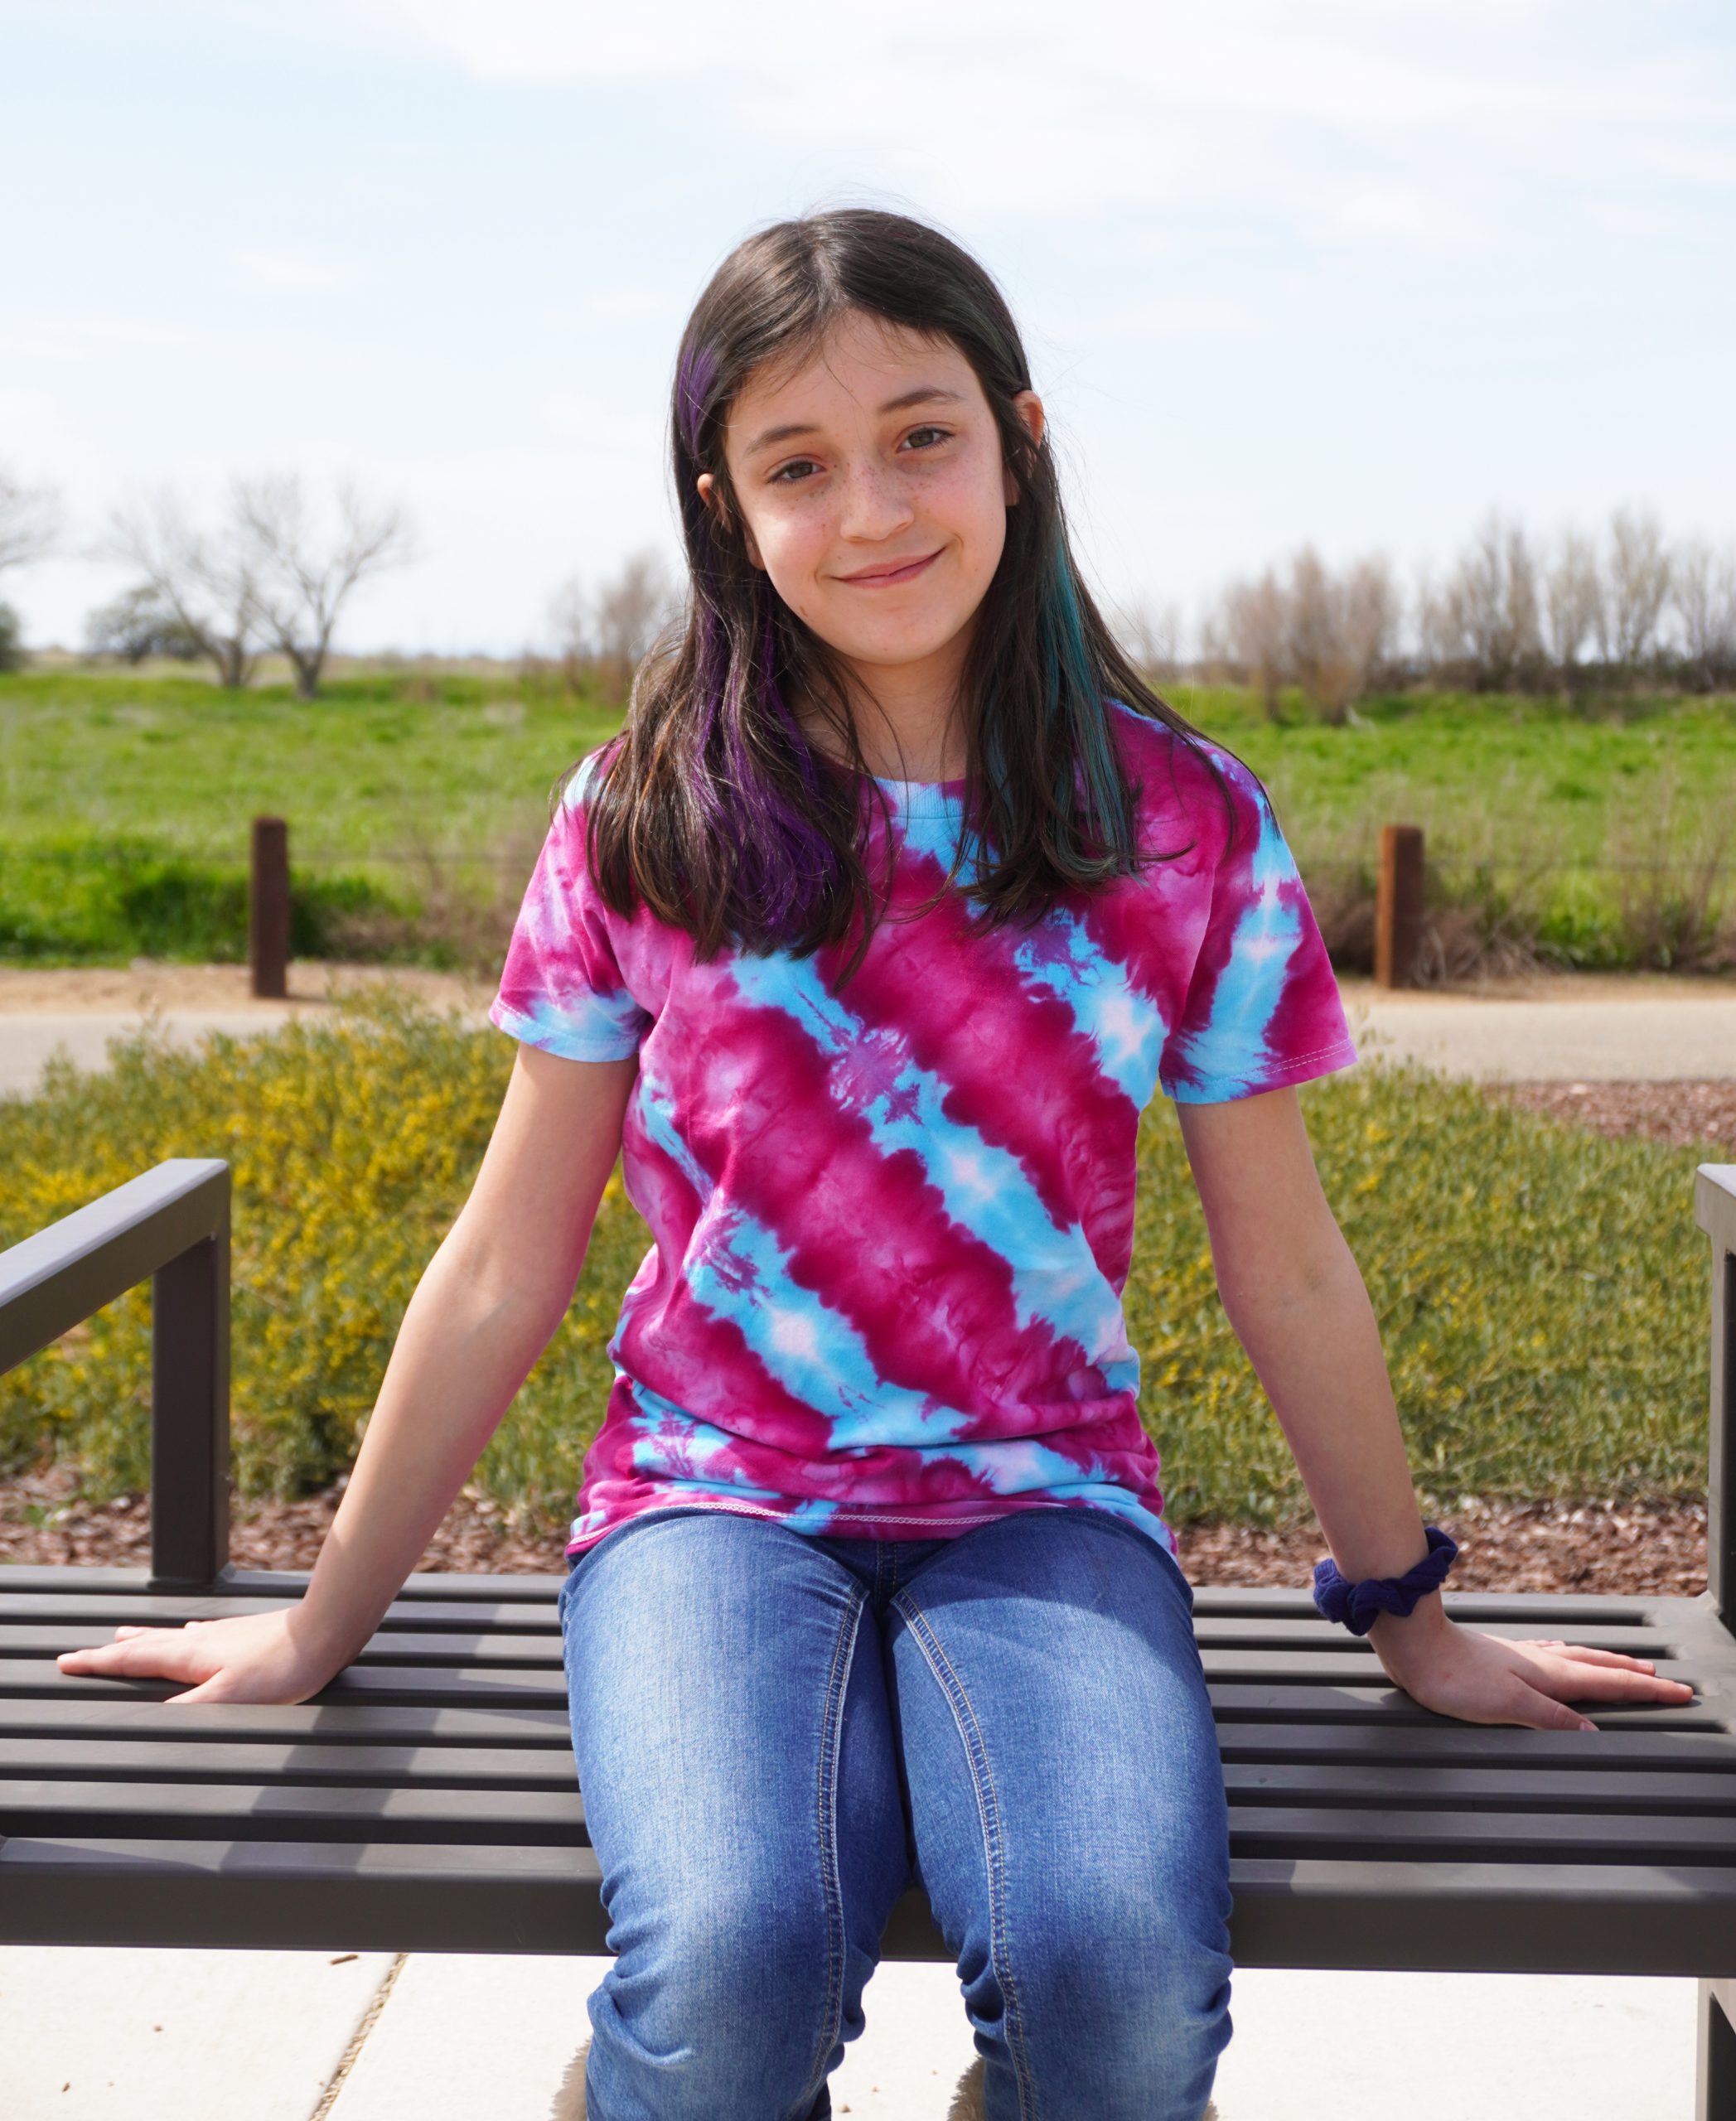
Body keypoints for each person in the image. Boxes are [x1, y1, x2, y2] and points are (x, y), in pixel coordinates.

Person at [56, 208, 1694, 2121]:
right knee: (737, 1964)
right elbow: (503, 1258)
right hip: (707, 1511)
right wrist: (323, 1618)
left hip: (1042, 1505)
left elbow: (1292, 1260)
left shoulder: (1176, 823)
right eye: (798, 463)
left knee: (1118, 1988)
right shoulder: (646, 816)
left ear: (1020, 435)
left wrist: (1407, 1608)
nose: (873, 506)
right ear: (724, 503)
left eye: (922, 434)